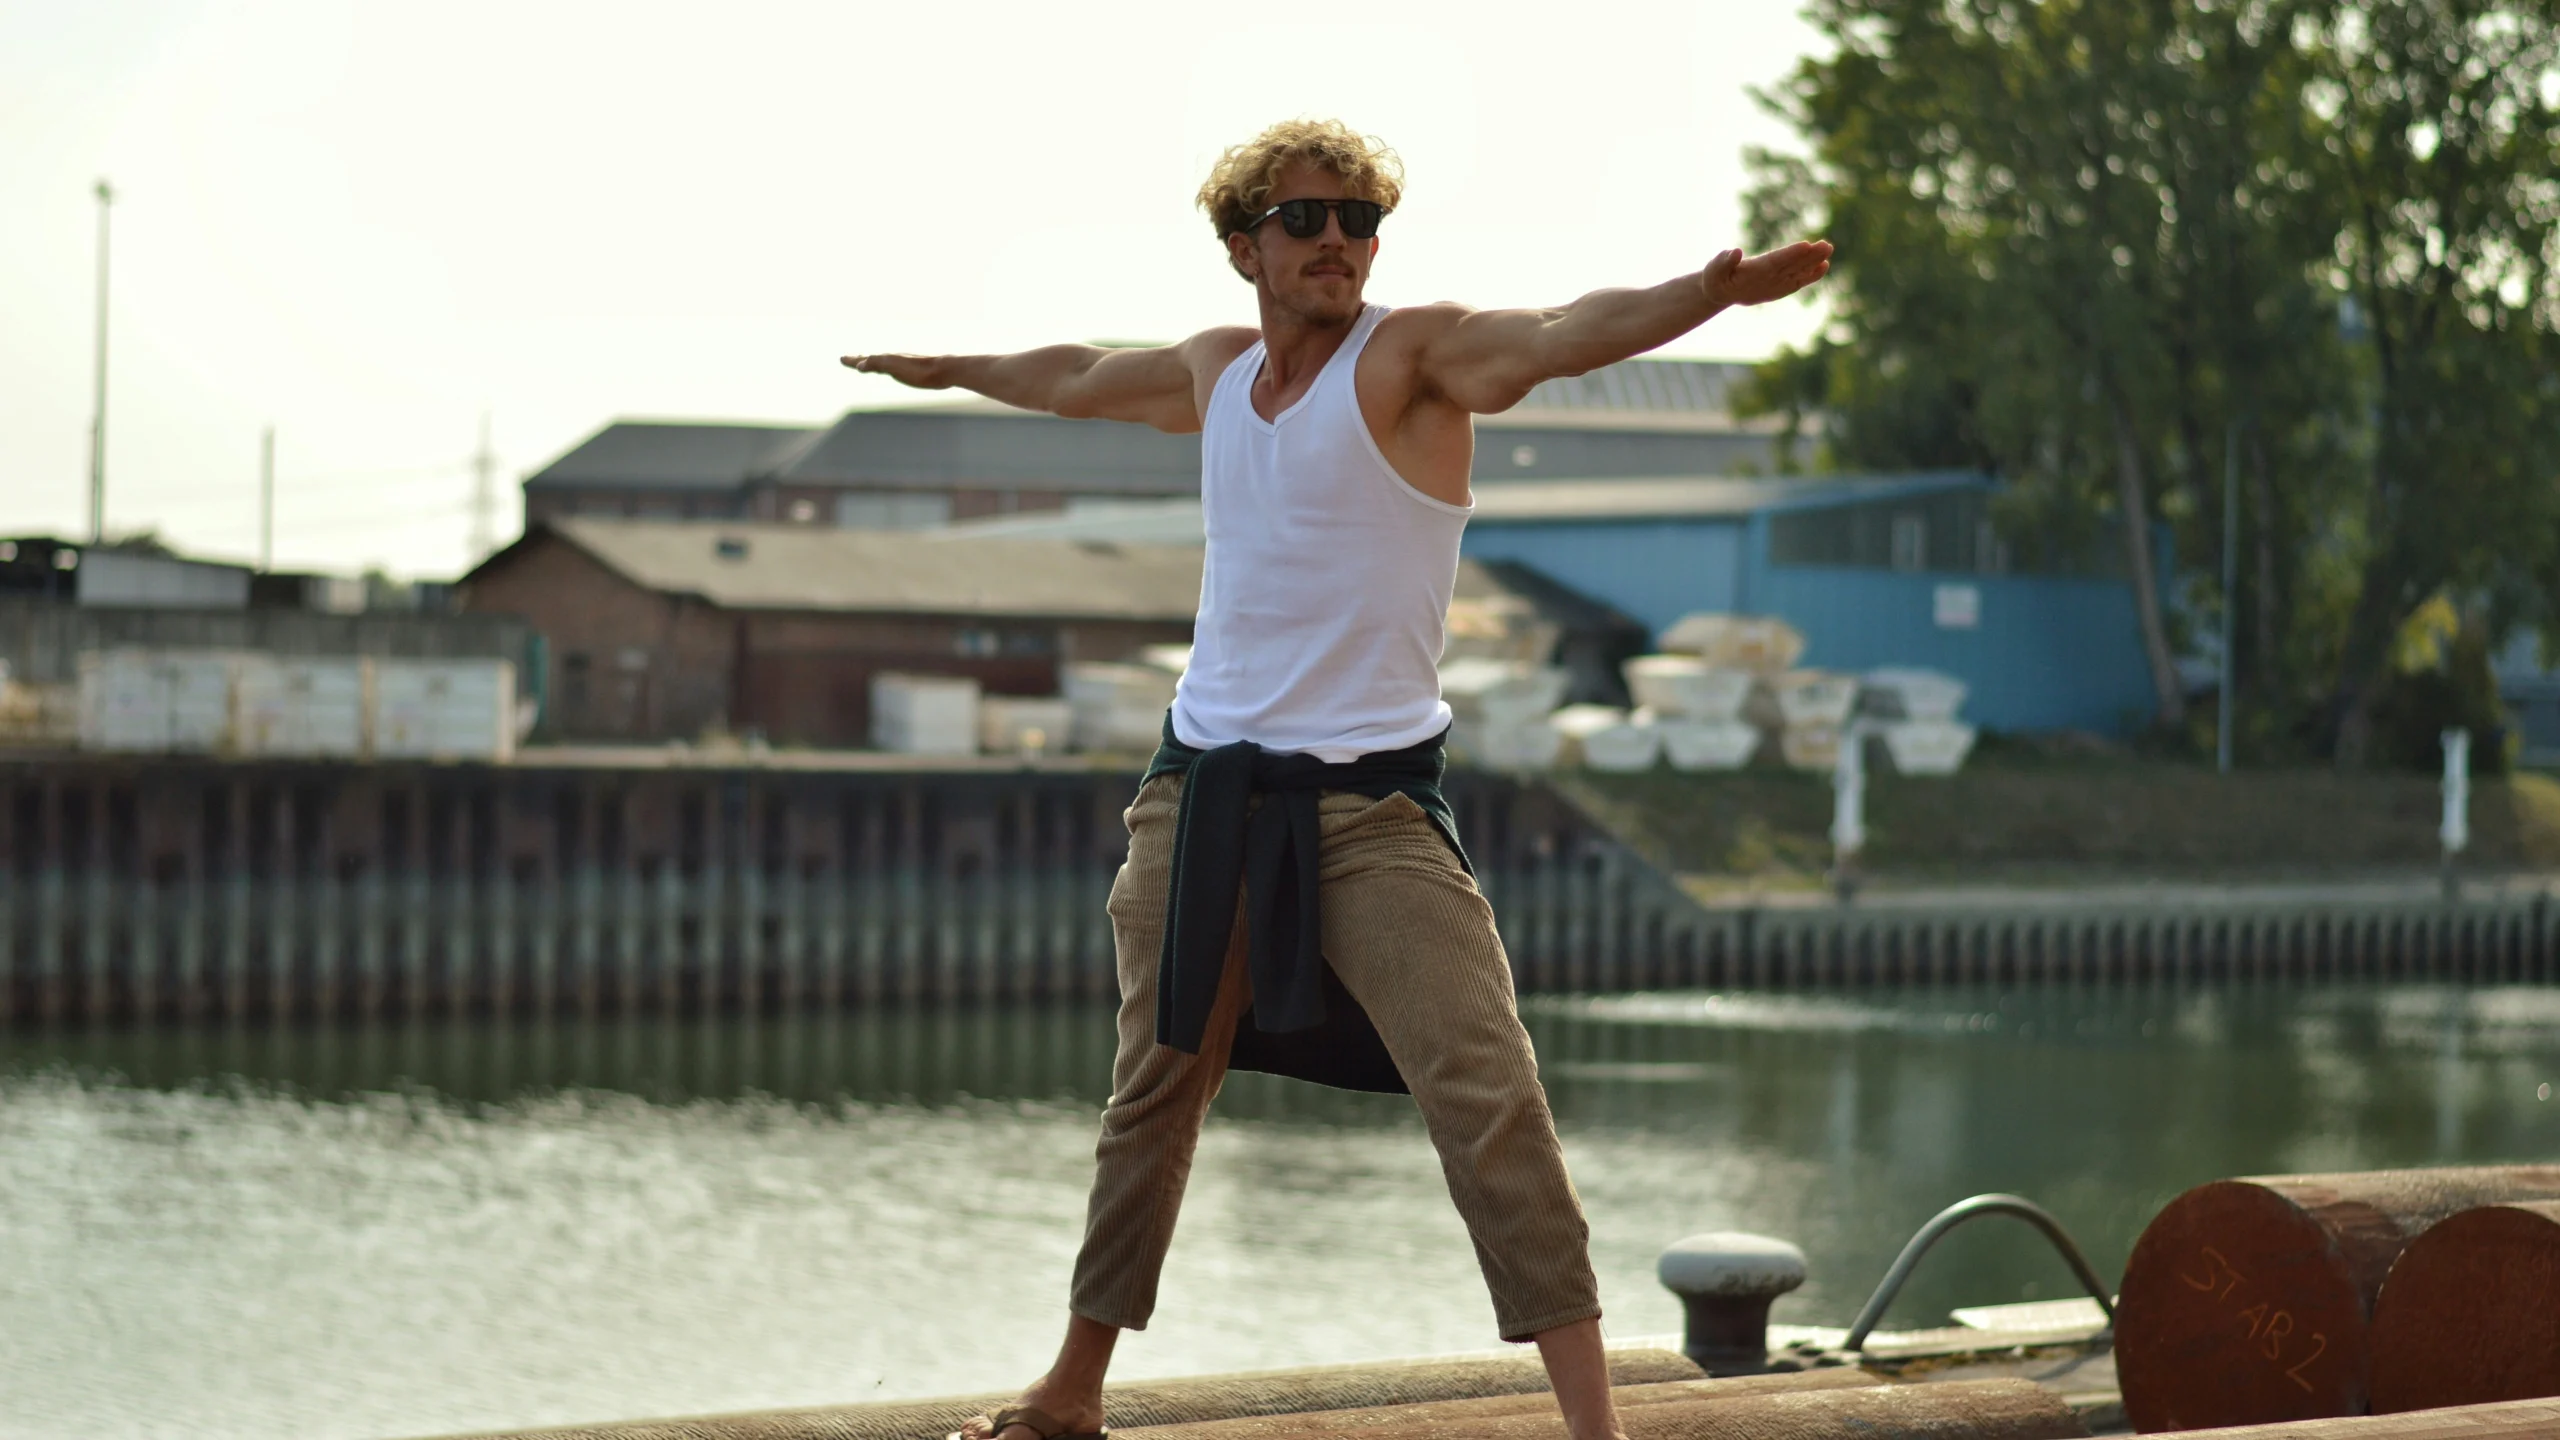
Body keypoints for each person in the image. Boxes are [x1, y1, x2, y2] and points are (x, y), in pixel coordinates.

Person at [844, 118, 1830, 1440]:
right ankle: (1071, 1393)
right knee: (1154, 1092)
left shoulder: (1412, 358)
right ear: (1245, 243)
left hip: (1372, 812)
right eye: (1307, 220)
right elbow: (1080, 373)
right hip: (1198, 795)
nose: (1337, 246)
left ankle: (1596, 1433)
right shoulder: (1214, 373)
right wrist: (953, 369)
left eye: (1358, 222)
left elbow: (1552, 335)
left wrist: (1705, 294)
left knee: (1491, 1104)